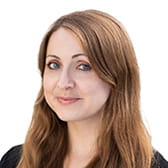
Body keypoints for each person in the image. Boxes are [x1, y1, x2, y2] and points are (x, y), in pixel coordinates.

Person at [0, 9, 168, 168]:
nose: (63, 83)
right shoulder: (16, 161)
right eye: (54, 64)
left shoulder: (150, 165)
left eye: (83, 67)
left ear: (116, 76)